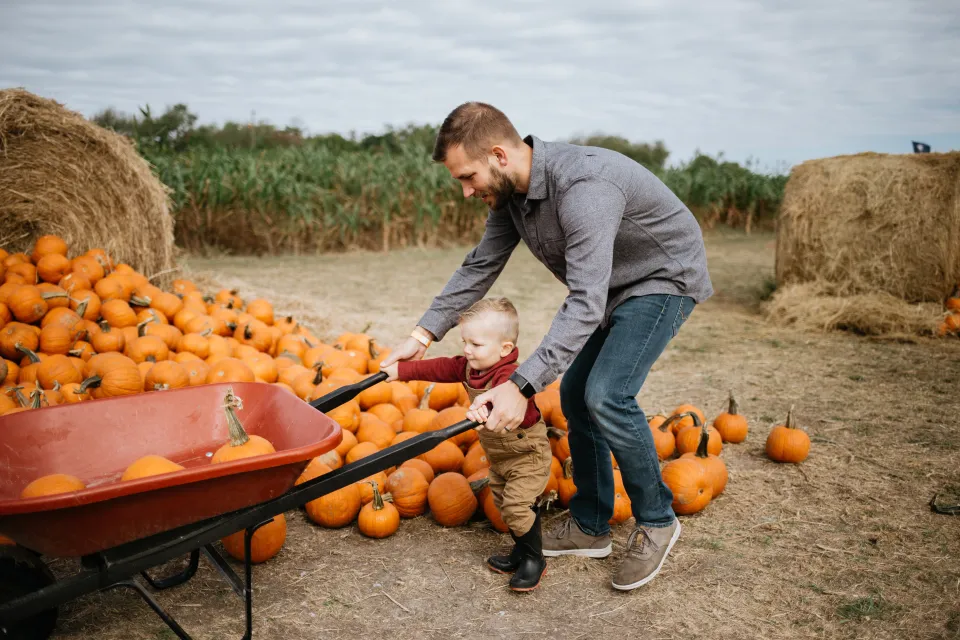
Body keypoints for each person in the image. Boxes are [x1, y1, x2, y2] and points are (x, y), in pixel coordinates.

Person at [380, 101, 713, 591]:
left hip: (662, 279)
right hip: (611, 289)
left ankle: (659, 520)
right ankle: (591, 523)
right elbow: (480, 265)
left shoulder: (584, 189)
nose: (467, 189)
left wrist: (521, 384)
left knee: (606, 394)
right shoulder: (510, 196)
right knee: (577, 397)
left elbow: (584, 301)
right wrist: (422, 335)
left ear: (498, 155)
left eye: (468, 176)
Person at [382, 296, 552, 592]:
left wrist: (485, 410)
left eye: (475, 344)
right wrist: (403, 371)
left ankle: (535, 559)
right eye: (465, 342)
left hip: (527, 454)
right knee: (503, 501)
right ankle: (522, 550)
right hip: (500, 455)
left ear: (505, 349)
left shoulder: (509, 377)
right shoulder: (471, 368)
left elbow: (506, 400)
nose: (466, 350)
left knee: (515, 505)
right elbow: (441, 368)